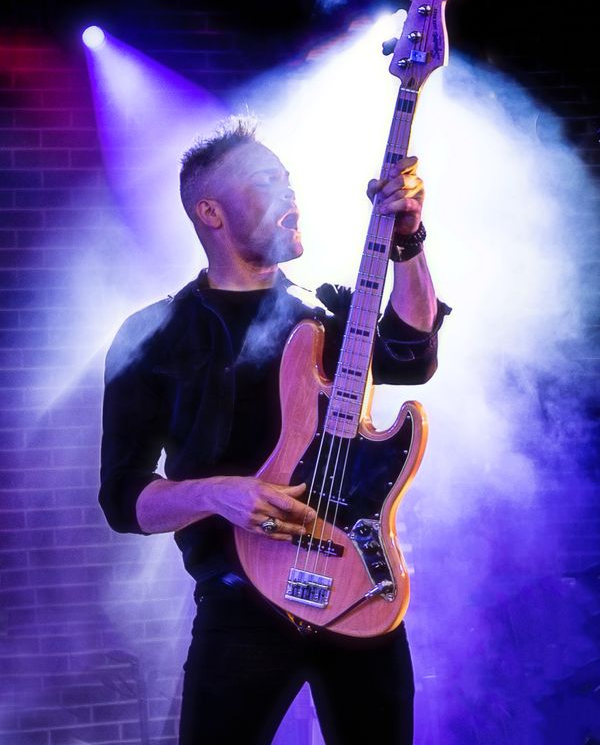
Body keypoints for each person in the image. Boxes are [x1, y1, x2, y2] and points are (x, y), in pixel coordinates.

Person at [99, 118, 449, 744]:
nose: (290, 193)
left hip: (360, 589)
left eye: (287, 179)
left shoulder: (330, 310)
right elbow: (125, 501)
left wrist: (408, 240)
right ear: (211, 212)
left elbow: (412, 354)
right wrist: (218, 494)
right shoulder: (154, 335)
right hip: (241, 608)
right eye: (265, 181)